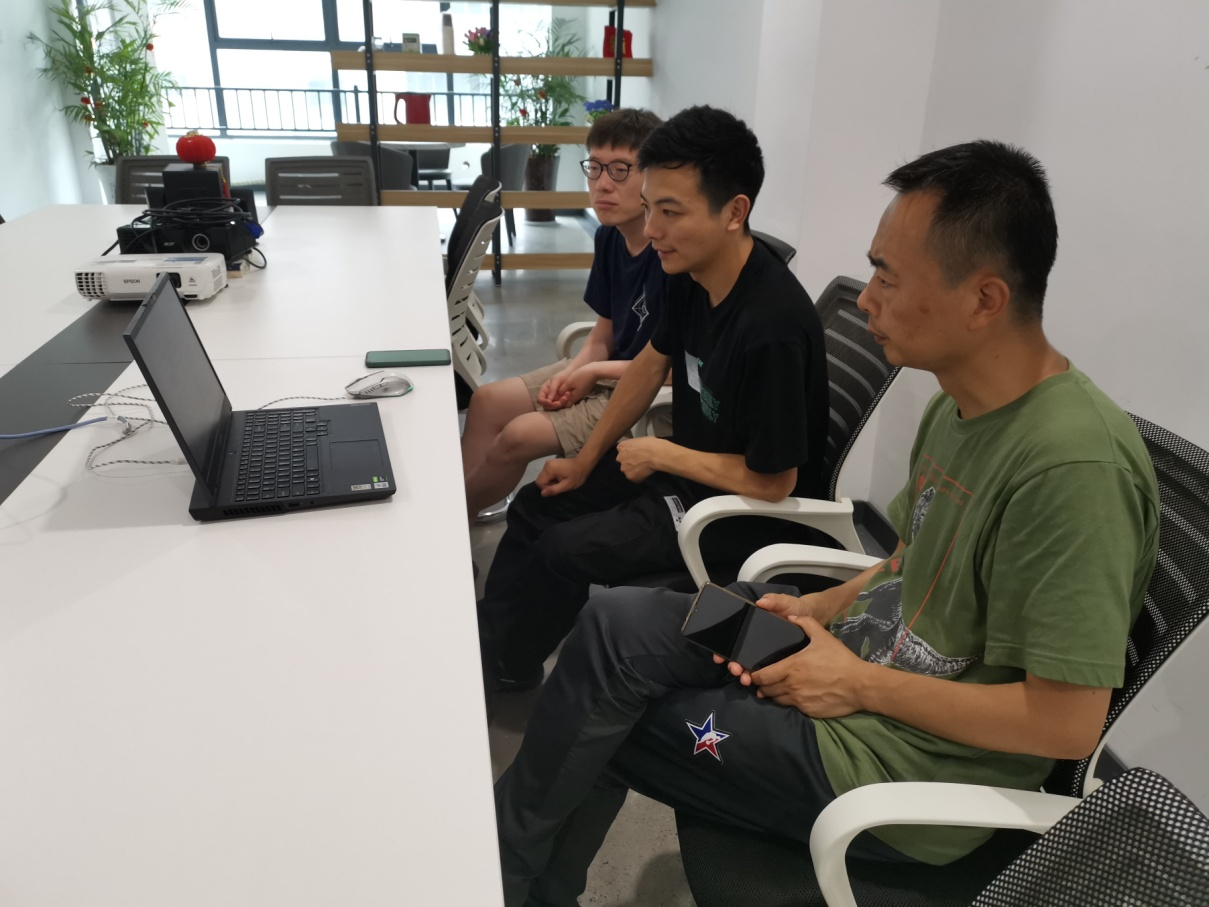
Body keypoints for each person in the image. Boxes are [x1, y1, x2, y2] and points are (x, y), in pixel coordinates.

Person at [492, 139, 1161, 906]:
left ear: (983, 300)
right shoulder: (958, 405)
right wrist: (815, 606)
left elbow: (1065, 723)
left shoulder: (1074, 470)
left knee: (608, 714)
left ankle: (505, 881)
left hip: (892, 766)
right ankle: (511, 878)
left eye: (887, 278)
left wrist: (855, 681)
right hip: (839, 656)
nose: (866, 300)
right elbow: (908, 562)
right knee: (613, 622)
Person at [477, 105, 830, 697]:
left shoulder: (771, 327)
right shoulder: (690, 273)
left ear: (734, 212)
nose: (654, 230)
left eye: (671, 212)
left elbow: (774, 483)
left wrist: (662, 454)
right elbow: (649, 364)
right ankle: (493, 649)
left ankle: (505, 668)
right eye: (650, 209)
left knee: (563, 549)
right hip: (686, 477)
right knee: (538, 503)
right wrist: (585, 459)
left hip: (736, 512)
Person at [461, 108, 666, 525]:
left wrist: (590, 373)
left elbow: (669, 368)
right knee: (486, 401)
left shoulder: (670, 252)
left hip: (643, 390)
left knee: (518, 434)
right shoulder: (610, 237)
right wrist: (573, 372)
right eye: (595, 168)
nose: (602, 184)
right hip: (607, 370)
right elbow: (603, 335)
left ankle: (447, 522)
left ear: (653, 176)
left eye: (621, 170)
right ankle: (458, 506)